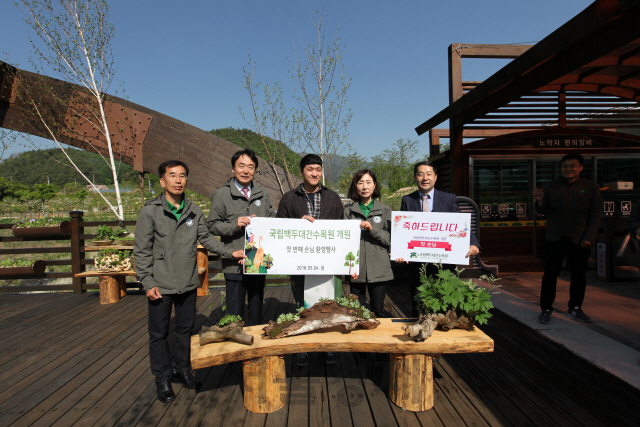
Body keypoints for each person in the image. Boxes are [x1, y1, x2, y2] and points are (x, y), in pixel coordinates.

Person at [135, 160, 245, 404]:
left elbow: (207, 239)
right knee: (159, 334)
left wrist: (231, 252)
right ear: (162, 181)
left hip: (187, 282)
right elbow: (141, 250)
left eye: (182, 176)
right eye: (172, 175)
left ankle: (182, 369)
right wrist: (147, 280)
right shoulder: (150, 211)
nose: (178, 180)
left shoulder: (194, 211)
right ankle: (162, 377)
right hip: (160, 284)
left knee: (185, 330)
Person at [276, 153, 344, 365]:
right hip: (300, 263)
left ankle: (328, 346)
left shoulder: (333, 197)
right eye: (309, 169)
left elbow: (342, 229)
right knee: (301, 305)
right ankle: (302, 347)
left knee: (329, 305)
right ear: (301, 172)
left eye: (318, 169)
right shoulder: (289, 198)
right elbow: (280, 227)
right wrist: (298, 223)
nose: (314, 173)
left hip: (329, 263)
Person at [396, 161, 480, 318]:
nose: (425, 178)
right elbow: (402, 230)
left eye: (428, 174)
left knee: (446, 305)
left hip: (445, 263)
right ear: (415, 178)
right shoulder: (408, 200)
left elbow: (460, 225)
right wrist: (398, 251)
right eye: (420, 174)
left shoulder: (448, 199)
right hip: (418, 265)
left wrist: (474, 243)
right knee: (418, 303)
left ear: (435, 177)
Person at [207, 149, 276, 327]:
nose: (246, 171)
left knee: (256, 311)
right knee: (234, 314)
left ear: (254, 170)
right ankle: (235, 351)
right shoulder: (221, 194)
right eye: (241, 166)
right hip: (233, 262)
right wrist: (234, 225)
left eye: (250, 167)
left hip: (257, 262)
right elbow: (212, 225)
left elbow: (272, 223)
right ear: (233, 168)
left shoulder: (263, 194)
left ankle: (254, 350)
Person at [533, 153, 602, 324]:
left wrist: (590, 237)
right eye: (565, 166)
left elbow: (595, 215)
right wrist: (540, 201)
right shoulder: (551, 186)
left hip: (580, 238)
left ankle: (575, 307)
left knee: (579, 275)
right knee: (550, 274)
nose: (568, 169)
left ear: (580, 168)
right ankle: (546, 308)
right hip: (555, 237)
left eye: (572, 166)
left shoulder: (591, 187)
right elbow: (542, 212)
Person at [343, 169, 393, 317]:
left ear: (375, 185)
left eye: (368, 182)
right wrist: (348, 266)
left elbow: (390, 239)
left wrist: (372, 229)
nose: (364, 187)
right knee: (358, 311)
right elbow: (344, 241)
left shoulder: (385, 210)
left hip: (379, 267)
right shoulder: (348, 211)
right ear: (355, 186)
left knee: (378, 309)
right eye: (360, 183)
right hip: (356, 268)